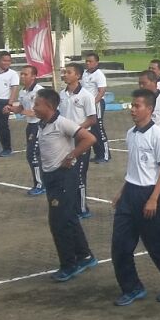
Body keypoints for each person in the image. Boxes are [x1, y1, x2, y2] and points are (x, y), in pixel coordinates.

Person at [110, 88, 160, 306]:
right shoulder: (130, 134)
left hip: (148, 193)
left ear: (150, 109)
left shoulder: (159, 137)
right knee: (120, 245)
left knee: (158, 246)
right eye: (132, 106)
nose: (133, 110)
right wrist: (122, 190)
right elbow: (134, 167)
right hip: (130, 194)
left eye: (137, 106)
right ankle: (132, 287)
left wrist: (154, 198)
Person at [33, 87, 98, 282]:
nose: (34, 107)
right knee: (69, 218)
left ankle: (69, 264)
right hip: (51, 177)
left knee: (58, 223)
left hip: (63, 178)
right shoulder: (42, 124)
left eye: (37, 104)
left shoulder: (62, 123)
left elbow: (90, 138)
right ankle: (85, 255)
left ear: (50, 106)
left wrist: (71, 155)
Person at [61, 63, 98, 220]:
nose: (65, 75)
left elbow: (92, 119)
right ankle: (70, 205)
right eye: (64, 72)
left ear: (78, 76)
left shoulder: (86, 96)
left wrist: (76, 129)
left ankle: (82, 208)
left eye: (69, 72)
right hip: (65, 140)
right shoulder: (61, 94)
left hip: (81, 139)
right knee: (67, 174)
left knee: (80, 175)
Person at [8, 65, 45, 196]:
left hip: (39, 126)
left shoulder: (39, 92)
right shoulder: (23, 91)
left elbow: (38, 112)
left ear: (34, 76)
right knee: (37, 155)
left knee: (32, 154)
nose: (22, 77)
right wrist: (11, 109)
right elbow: (22, 108)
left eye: (25, 74)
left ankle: (40, 184)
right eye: (21, 74)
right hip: (30, 126)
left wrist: (22, 111)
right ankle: (42, 181)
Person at [82, 51, 110, 163]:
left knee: (99, 128)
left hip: (96, 104)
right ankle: (98, 153)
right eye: (87, 61)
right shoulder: (85, 73)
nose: (88, 63)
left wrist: (93, 104)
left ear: (96, 63)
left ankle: (105, 155)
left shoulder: (99, 75)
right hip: (87, 105)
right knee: (92, 130)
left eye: (90, 61)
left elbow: (101, 91)